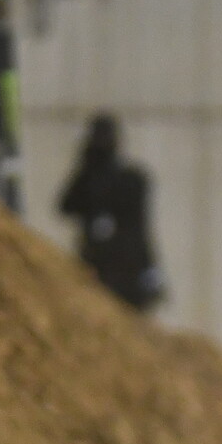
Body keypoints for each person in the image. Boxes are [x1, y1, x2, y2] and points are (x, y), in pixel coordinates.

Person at [59, 113, 163, 310]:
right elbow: (66, 206)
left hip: (126, 269)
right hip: (98, 267)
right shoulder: (90, 179)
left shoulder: (132, 180)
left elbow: (140, 228)